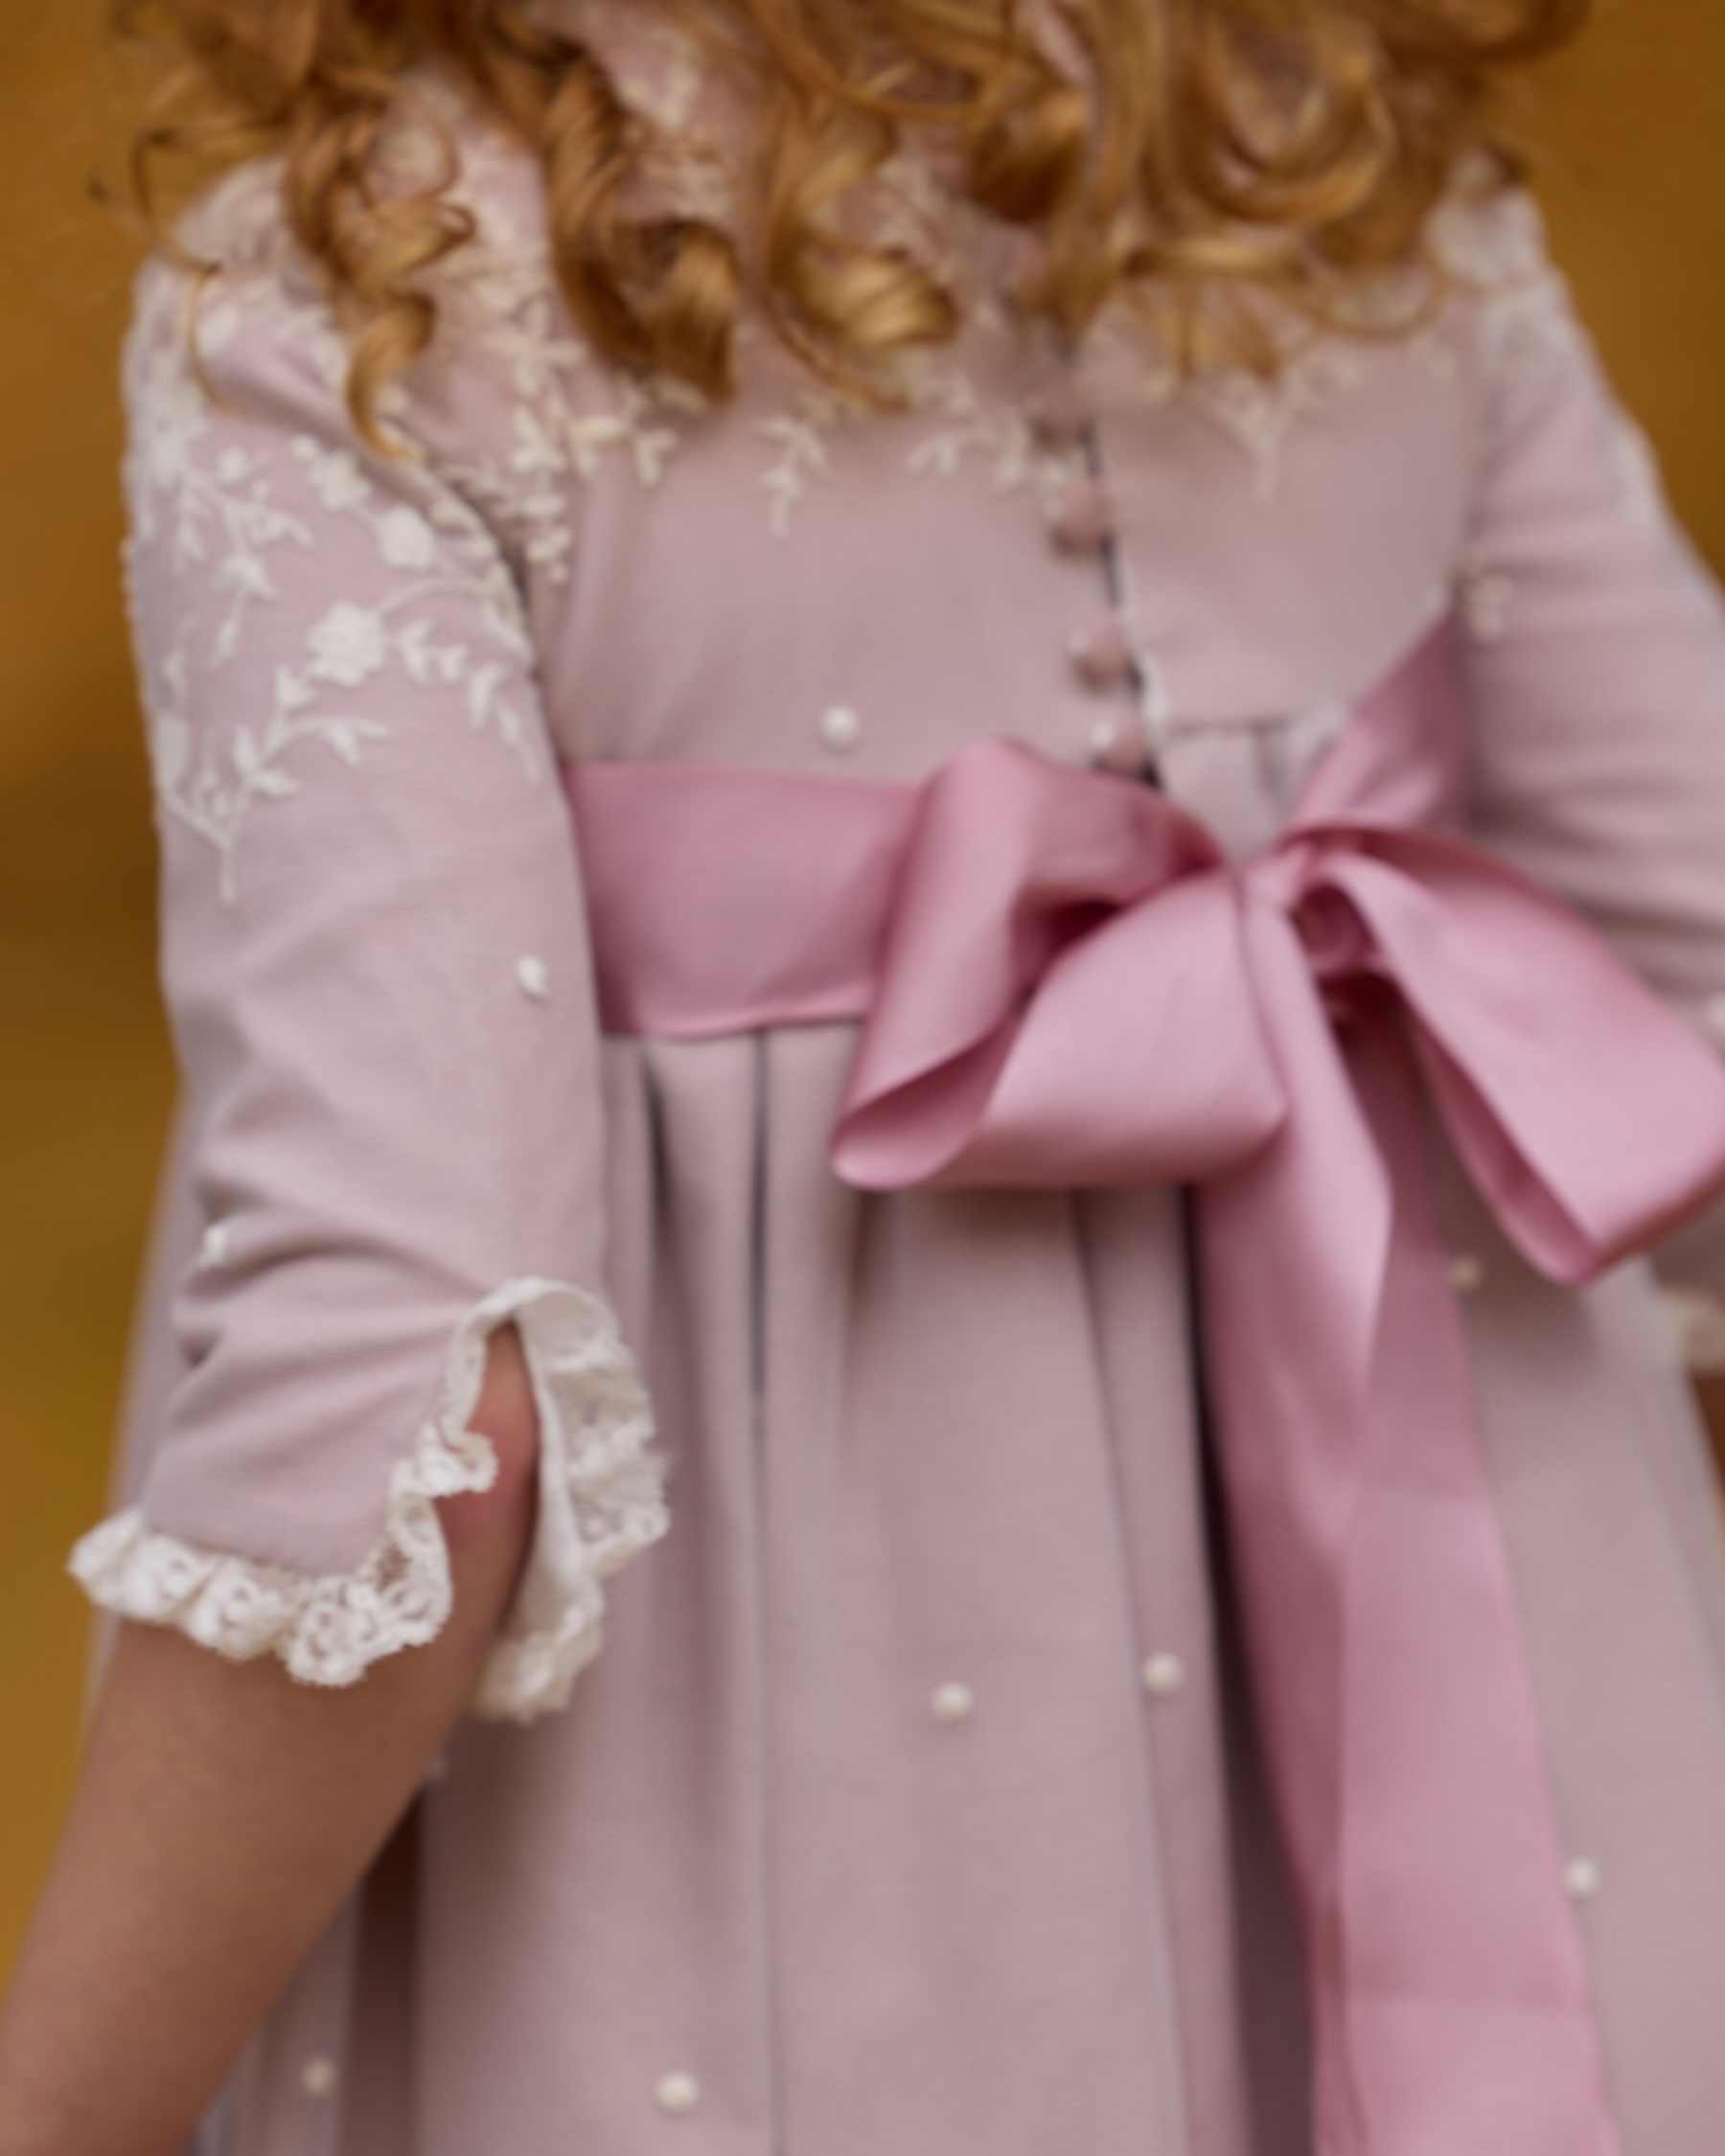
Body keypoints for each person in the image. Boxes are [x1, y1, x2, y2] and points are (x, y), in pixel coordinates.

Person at [7, 0, 1725, 2148]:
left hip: (768, 1910)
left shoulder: (366, 284)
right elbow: (1697, 945)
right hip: (1499, 1752)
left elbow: (420, 1371)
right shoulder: (1334, 133)